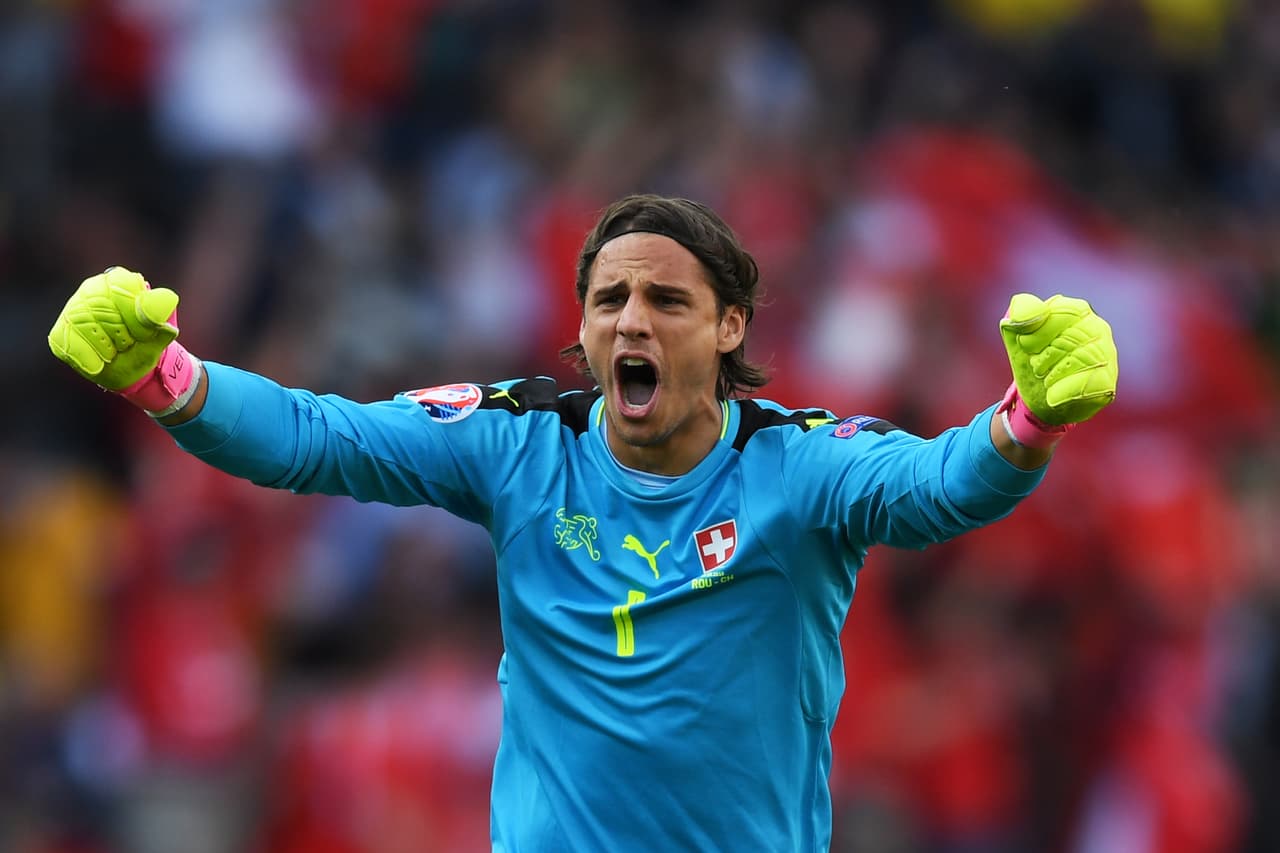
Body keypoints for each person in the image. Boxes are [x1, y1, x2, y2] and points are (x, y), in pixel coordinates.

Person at [48, 193, 1118, 851]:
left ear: (729, 326)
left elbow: (936, 487)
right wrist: (168, 379)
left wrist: (1025, 422)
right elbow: (314, 437)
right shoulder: (518, 445)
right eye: (610, 300)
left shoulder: (799, 465)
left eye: (667, 301)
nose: (631, 321)